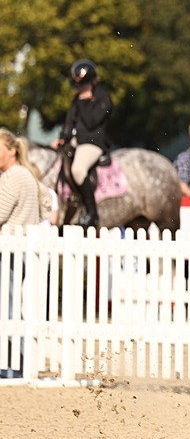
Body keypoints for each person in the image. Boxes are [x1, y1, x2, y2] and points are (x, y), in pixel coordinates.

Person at [0, 129, 51, 379]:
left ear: (12, 150)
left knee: (7, 308)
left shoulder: (13, 176)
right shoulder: (27, 176)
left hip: (9, 249)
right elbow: (47, 206)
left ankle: (13, 366)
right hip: (20, 248)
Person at [52, 59, 112, 227]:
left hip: (94, 142)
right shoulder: (77, 99)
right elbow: (69, 122)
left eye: (84, 85)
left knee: (78, 170)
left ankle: (92, 214)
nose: (81, 89)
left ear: (92, 81)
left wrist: (85, 101)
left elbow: (92, 122)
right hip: (76, 141)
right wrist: (62, 138)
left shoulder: (103, 98)